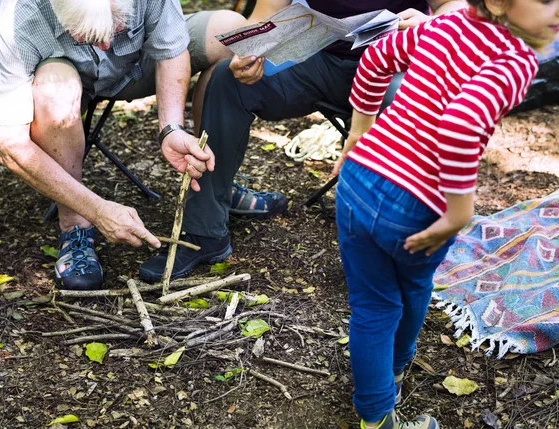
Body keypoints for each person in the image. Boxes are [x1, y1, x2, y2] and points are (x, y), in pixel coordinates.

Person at [331, 0, 556, 426]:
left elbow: (378, 56)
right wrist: (459, 212)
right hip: (415, 205)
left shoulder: (447, 20)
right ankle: (394, 372)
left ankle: (375, 414)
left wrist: (359, 131)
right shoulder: (515, 59)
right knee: (412, 288)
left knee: (372, 304)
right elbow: (461, 123)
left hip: (358, 182)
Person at [139, 0, 467, 281]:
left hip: (396, 66)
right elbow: (265, 17)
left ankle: (396, 246)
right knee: (225, 79)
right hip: (316, 56)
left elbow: (456, 7)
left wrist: (434, 24)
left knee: (424, 102)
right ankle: (204, 231)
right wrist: (251, 54)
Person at [0, 0, 247, 290]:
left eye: (118, 26)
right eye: (88, 35)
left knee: (231, 32)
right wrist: (97, 210)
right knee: (55, 88)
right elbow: (10, 145)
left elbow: (171, 48)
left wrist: (171, 128)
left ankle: (214, 190)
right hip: (60, 81)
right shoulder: (17, 16)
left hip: (133, 65)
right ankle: (75, 227)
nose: (105, 44)